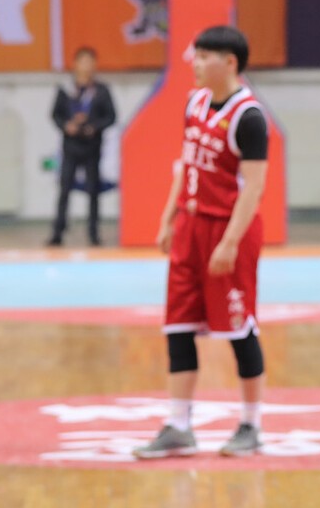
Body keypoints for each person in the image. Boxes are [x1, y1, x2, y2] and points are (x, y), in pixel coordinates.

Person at [133, 26, 271, 459]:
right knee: (177, 325)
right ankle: (179, 425)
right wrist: (170, 213)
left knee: (238, 327)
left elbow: (253, 188)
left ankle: (251, 424)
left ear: (229, 62)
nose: (194, 63)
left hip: (228, 229)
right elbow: (185, 164)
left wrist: (229, 242)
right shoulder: (193, 102)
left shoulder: (249, 116)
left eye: (203, 56)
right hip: (190, 228)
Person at [48, 48, 116, 247]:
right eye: (82, 62)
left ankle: (93, 233)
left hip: (92, 147)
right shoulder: (66, 89)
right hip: (70, 147)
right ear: (75, 64)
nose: (86, 66)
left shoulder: (101, 91)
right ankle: (57, 232)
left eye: (90, 62)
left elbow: (111, 116)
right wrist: (66, 126)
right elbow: (55, 115)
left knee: (93, 190)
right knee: (64, 189)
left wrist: (94, 127)